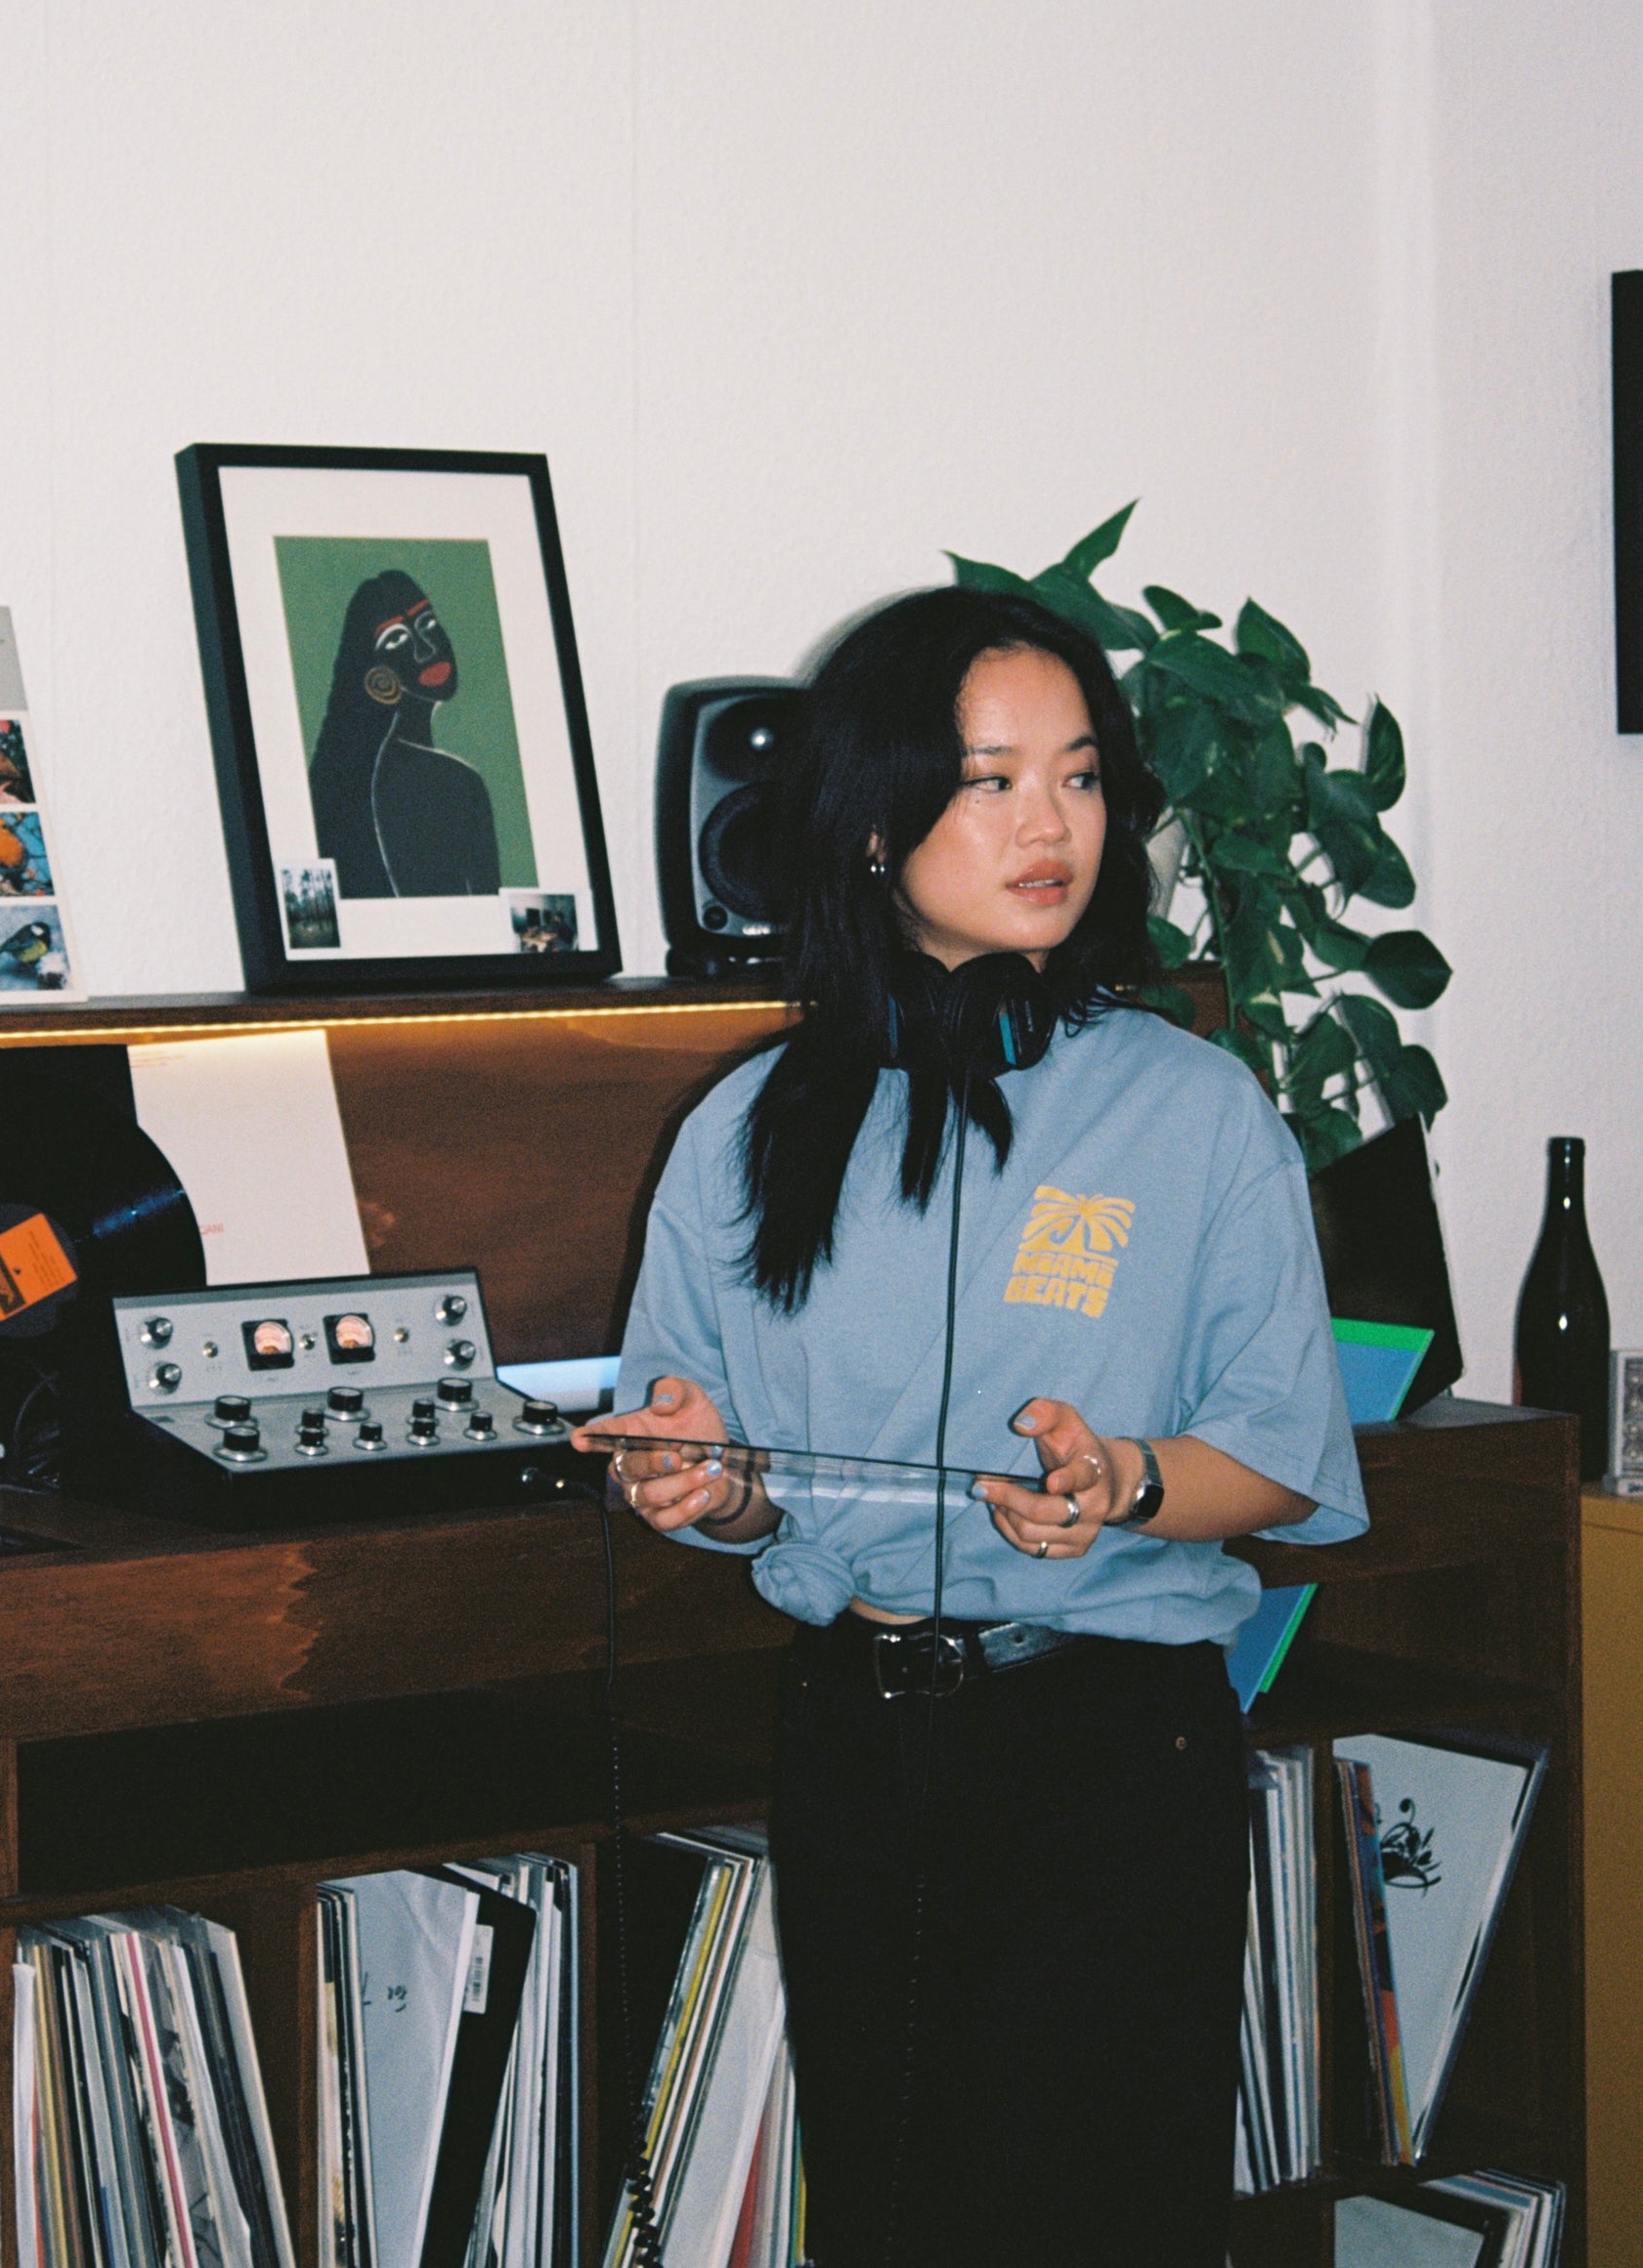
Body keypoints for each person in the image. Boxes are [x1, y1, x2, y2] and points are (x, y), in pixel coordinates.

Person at [579, 585, 1366, 2268]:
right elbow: (722, 1480)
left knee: (1104, 2220)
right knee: (893, 2209)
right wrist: (697, 1482)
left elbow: (1280, 1449)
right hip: (860, 1738)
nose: (1049, 825)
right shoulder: (743, 1129)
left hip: (1109, 1745)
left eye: (1078, 778)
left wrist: (1126, 1480)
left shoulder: (1196, 1106)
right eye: (992, 778)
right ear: (875, 822)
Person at [306, 571, 501, 896]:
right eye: (396, 640)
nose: (425, 650)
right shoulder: (456, 784)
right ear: (374, 672)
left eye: (428, 625)